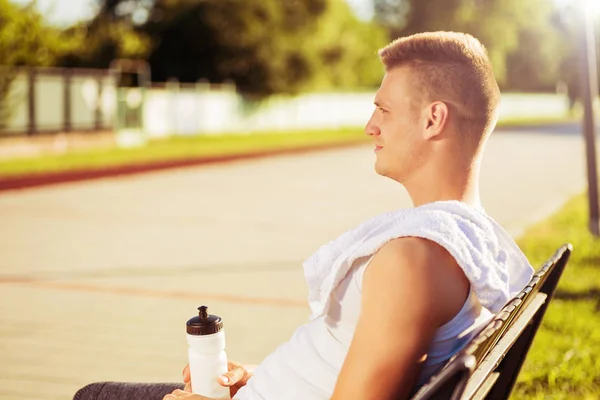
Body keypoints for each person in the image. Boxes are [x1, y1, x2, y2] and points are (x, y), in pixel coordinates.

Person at [74, 31, 534, 400]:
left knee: (93, 396)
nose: (370, 126)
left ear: (434, 120)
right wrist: (256, 376)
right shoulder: (465, 242)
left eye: (384, 109)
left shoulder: (414, 261)